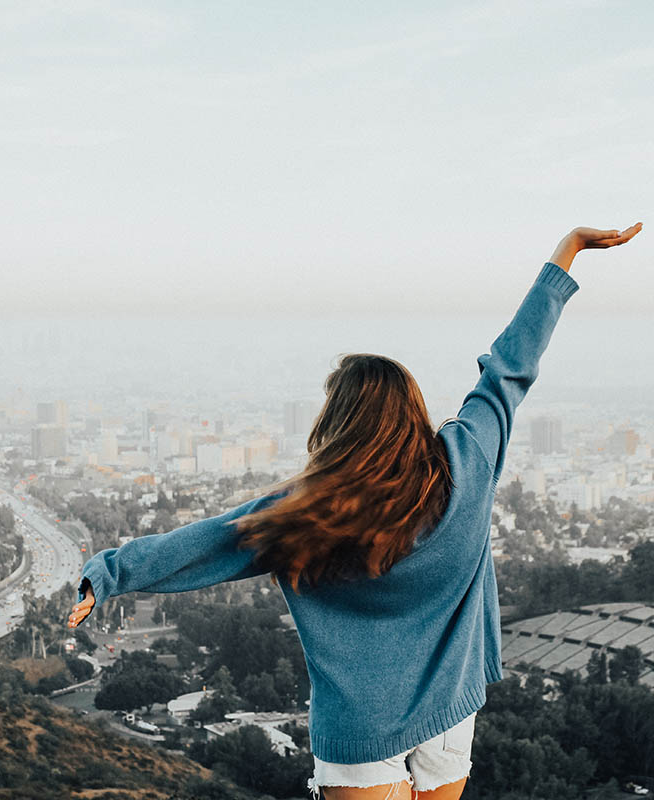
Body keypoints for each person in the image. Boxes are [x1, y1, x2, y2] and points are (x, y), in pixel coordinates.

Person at [67, 222, 643, 800]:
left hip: (359, 730)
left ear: (339, 423)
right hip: (449, 711)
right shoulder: (466, 462)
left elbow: (213, 541)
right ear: (410, 410)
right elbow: (509, 369)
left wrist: (109, 574)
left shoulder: (306, 511)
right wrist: (566, 253)